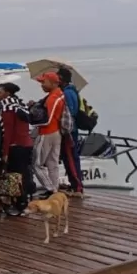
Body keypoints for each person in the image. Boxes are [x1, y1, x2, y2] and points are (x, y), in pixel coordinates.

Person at [0, 82, 35, 213]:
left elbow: (8, 131)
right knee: (24, 173)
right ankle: (24, 200)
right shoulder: (20, 105)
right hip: (27, 143)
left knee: (14, 175)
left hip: (15, 145)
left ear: (7, 92)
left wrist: (5, 152)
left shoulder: (6, 108)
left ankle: (19, 203)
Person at [32, 73, 66, 197]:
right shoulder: (60, 95)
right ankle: (54, 188)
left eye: (43, 82)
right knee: (53, 163)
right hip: (56, 132)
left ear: (53, 83)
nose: (41, 85)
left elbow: (47, 119)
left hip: (47, 132)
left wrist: (32, 117)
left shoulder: (52, 98)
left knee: (37, 164)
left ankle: (51, 189)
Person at [56, 66, 85, 196]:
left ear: (61, 79)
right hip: (70, 129)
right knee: (68, 158)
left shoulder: (68, 93)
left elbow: (70, 112)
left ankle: (77, 187)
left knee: (71, 158)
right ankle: (74, 184)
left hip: (70, 130)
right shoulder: (70, 91)